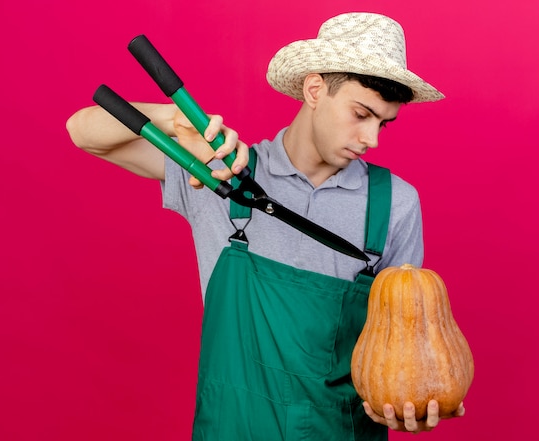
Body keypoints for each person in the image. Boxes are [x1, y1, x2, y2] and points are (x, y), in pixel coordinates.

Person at [67, 12, 465, 440]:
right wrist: (174, 122)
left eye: (383, 123)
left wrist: (413, 406)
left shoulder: (396, 204)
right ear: (315, 90)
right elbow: (83, 131)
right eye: (360, 114)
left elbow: (403, 349)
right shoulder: (217, 172)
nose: (372, 138)